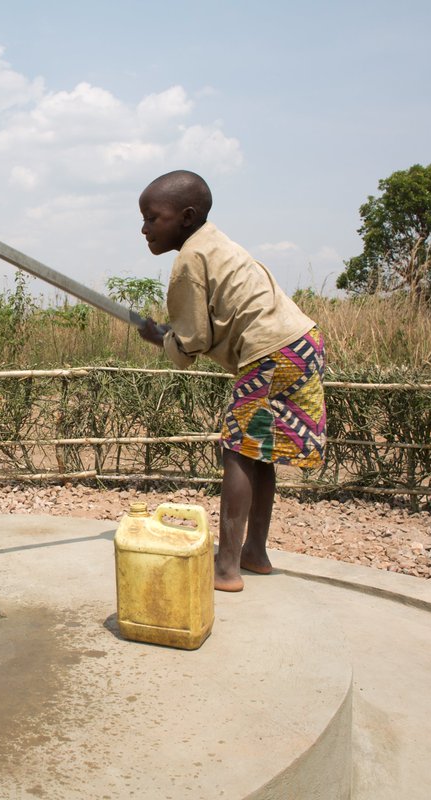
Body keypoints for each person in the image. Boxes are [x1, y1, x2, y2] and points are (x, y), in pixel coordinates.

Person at [136, 170, 326, 592]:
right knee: (261, 451)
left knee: (238, 451)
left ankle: (225, 568)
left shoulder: (189, 259)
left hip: (271, 350)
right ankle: (254, 553)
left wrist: (160, 338)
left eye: (153, 218)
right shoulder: (216, 243)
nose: (145, 228)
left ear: (186, 217)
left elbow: (192, 340)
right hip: (300, 342)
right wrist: (175, 335)